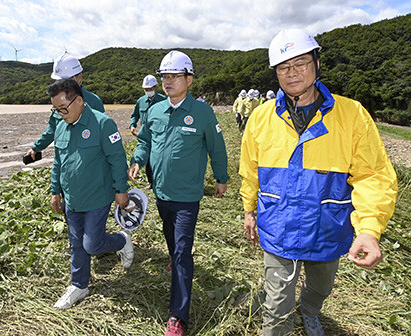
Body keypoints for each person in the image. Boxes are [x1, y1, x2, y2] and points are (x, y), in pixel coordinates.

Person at [239, 28, 398, 336]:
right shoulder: (260, 117)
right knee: (276, 305)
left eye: (300, 63)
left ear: (316, 63)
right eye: (284, 67)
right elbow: (250, 169)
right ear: (275, 73)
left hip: (328, 225)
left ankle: (310, 311)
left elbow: (372, 175)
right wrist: (248, 209)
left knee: (321, 287)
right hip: (277, 224)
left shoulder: (351, 115)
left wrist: (369, 229)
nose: (292, 72)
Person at [128, 50, 229, 336]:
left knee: (183, 251)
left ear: (189, 79)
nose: (168, 81)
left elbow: (217, 149)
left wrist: (221, 178)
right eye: (164, 77)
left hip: (187, 195)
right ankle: (175, 259)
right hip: (161, 191)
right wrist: (138, 159)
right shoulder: (155, 110)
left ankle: (178, 316)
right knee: (171, 237)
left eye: (174, 76)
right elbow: (145, 140)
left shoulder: (202, 112)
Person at [48, 78, 134, 309]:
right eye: (55, 109)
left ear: (79, 101)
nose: (60, 113)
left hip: (97, 196)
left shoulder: (102, 124)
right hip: (72, 198)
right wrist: (55, 190)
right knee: (77, 244)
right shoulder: (60, 126)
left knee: (92, 245)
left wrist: (121, 190)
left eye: (63, 108)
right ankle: (79, 285)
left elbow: (117, 159)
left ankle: (121, 239)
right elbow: (58, 162)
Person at [26, 52, 105, 160]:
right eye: (59, 81)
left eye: (66, 81)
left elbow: (104, 135)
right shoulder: (58, 101)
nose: (62, 85)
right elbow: (52, 129)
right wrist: (37, 147)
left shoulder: (94, 102)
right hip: (66, 161)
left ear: (79, 77)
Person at [129, 75, 167, 189]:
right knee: (148, 159)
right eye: (146, 90)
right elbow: (134, 115)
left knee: (159, 158)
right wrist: (132, 125)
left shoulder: (163, 100)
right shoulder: (141, 101)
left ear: (155, 87)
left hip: (160, 134)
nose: (148, 91)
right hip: (145, 135)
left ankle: (160, 181)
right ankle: (151, 182)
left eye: (150, 89)